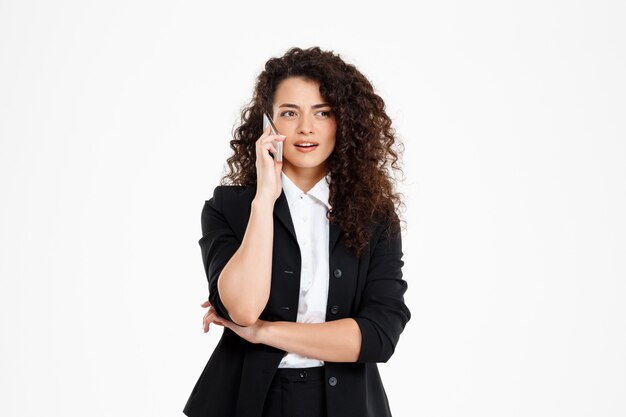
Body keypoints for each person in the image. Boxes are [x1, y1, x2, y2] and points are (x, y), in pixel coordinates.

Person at [183, 46, 411, 417]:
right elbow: (242, 309)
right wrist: (264, 200)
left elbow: (379, 336)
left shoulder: (374, 215)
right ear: (267, 124)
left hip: (346, 405)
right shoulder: (229, 207)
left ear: (344, 122)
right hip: (245, 402)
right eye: (290, 113)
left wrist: (264, 333)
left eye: (323, 112)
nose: (306, 128)